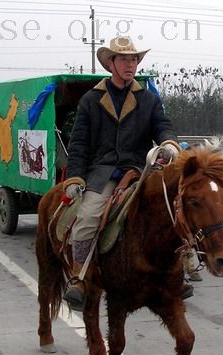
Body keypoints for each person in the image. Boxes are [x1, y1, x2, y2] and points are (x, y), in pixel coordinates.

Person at [61, 36, 191, 311]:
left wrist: (168, 142)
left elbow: (163, 126)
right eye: (124, 59)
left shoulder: (148, 98)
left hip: (141, 169)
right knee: (87, 217)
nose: (130, 64)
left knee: (173, 206)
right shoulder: (90, 100)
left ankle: (181, 268)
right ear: (111, 63)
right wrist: (75, 178)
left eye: (134, 59)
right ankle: (79, 276)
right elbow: (80, 144)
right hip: (103, 172)